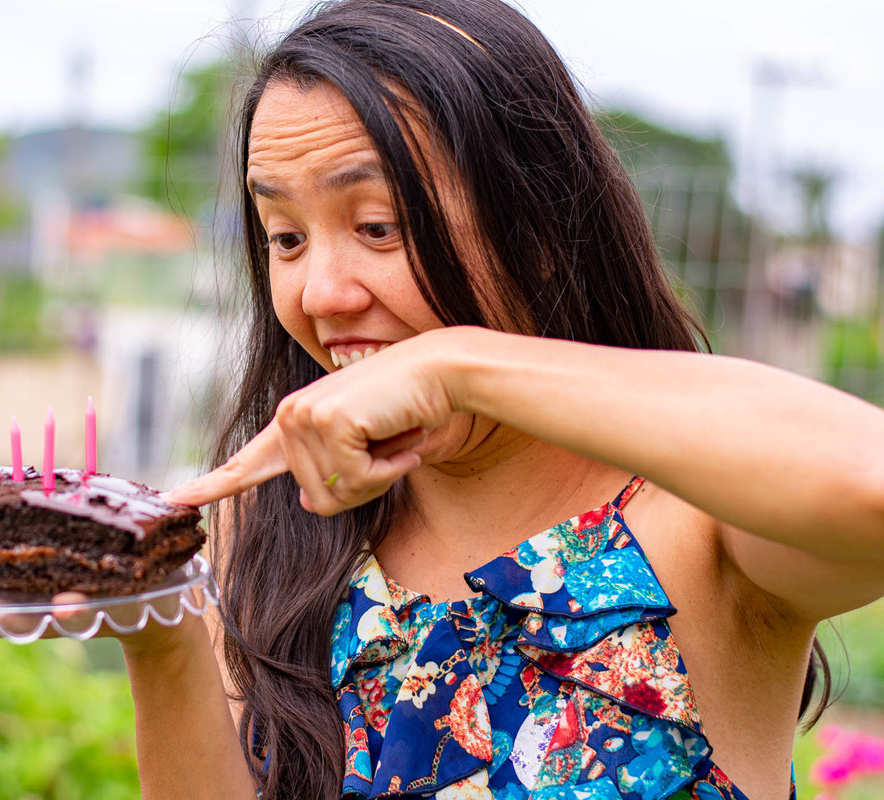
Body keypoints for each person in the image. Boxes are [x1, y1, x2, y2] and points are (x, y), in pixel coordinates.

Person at [124, 1, 884, 798]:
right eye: (287, 237)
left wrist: (459, 366)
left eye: (379, 227)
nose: (319, 293)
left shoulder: (701, 523)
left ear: (540, 232)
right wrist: (157, 629)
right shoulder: (272, 532)